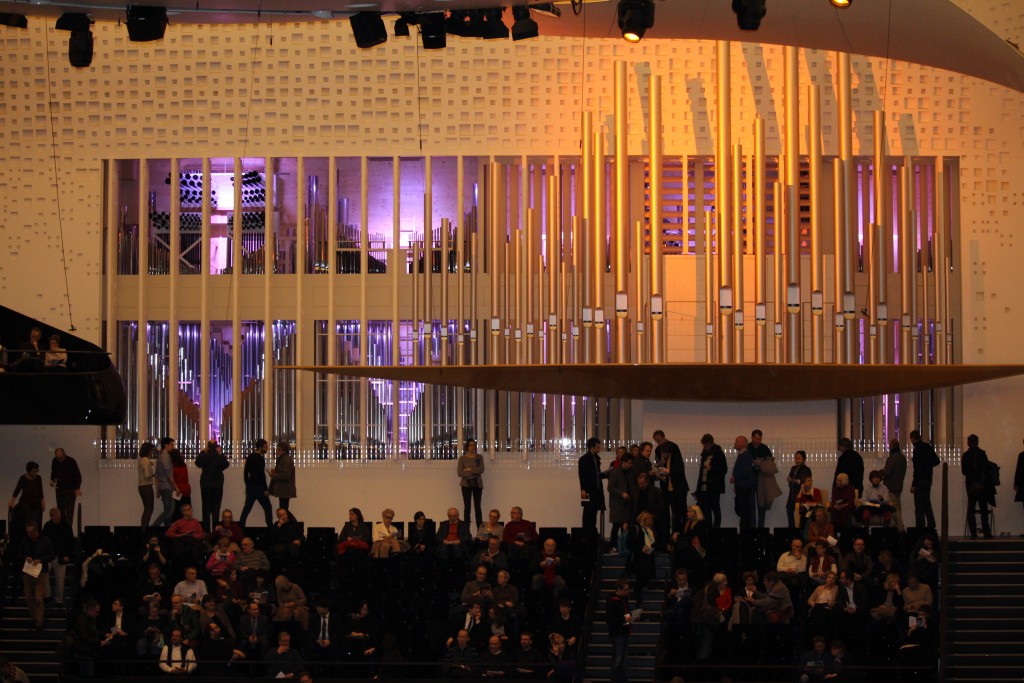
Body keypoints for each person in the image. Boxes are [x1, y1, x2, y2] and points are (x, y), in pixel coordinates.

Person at [18, 521, 54, 629]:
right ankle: (34, 618)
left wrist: (41, 560)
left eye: (30, 532)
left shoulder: (45, 541)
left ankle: (39, 621)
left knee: (38, 597)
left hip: (40, 570)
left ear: (35, 531)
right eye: (27, 532)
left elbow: (52, 554)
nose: (29, 534)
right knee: (28, 596)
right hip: (28, 570)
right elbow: (19, 554)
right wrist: (26, 558)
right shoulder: (24, 541)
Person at [653, 430, 689, 532]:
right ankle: (668, 532)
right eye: (657, 442)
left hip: (677, 487)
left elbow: (679, 469)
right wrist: (659, 467)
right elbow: (659, 465)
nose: (659, 444)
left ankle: (679, 533)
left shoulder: (674, 450)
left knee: (679, 512)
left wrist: (668, 471)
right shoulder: (657, 450)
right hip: (666, 486)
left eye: (660, 441)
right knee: (666, 511)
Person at [961, 434, 992, 538]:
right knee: (983, 508)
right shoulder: (982, 454)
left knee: (971, 508)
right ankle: (986, 532)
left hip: (970, 484)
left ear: (968, 443)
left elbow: (964, 471)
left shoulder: (965, 455)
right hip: (982, 484)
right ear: (977, 442)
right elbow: (987, 468)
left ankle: (973, 533)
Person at [195, 439, 229, 532]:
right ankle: (215, 530)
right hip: (217, 485)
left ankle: (206, 530)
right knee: (216, 509)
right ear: (216, 447)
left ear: (208, 446)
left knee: (205, 508)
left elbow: (197, 463)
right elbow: (226, 465)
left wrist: (203, 451)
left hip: (205, 485)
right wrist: (220, 454)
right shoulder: (219, 457)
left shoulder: (204, 456)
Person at [42, 507, 74, 606]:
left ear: (59, 516)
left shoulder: (66, 526)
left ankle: (58, 600)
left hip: (60, 555)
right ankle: (48, 595)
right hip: (49, 555)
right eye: (53, 518)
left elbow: (71, 542)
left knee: (60, 580)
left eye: (55, 518)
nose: (54, 520)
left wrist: (68, 555)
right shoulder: (48, 526)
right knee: (44, 575)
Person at [607, 453, 637, 550]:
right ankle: (613, 545)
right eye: (629, 463)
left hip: (626, 503)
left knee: (624, 525)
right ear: (623, 462)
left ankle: (623, 546)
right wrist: (622, 494)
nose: (631, 465)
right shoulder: (615, 472)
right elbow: (610, 488)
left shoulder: (630, 473)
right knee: (616, 525)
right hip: (617, 504)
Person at [910, 430, 940, 528]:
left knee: (919, 505)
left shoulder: (917, 450)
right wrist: (927, 464)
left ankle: (920, 526)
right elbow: (937, 461)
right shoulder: (927, 447)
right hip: (928, 479)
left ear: (913, 439)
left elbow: (917, 469)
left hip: (920, 480)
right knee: (926, 502)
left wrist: (914, 484)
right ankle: (931, 524)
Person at [240, 439, 273, 528]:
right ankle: (271, 529)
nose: (267, 449)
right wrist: (265, 489)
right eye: (265, 447)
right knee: (268, 508)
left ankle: (241, 527)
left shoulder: (250, 457)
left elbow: (246, 473)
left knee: (247, 508)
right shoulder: (260, 459)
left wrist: (248, 485)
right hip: (259, 487)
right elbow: (261, 475)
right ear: (260, 447)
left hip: (251, 487)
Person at [752, 432, 782, 528]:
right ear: (752, 437)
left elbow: (770, 464)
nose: (758, 441)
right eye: (757, 439)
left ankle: (761, 528)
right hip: (751, 479)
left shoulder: (764, 448)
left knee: (762, 504)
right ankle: (752, 528)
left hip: (762, 479)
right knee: (751, 506)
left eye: (760, 439)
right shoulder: (748, 448)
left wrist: (760, 463)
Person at [578, 437, 606, 538]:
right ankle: (587, 532)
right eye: (598, 446)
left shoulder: (596, 459)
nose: (599, 448)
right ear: (592, 447)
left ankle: (591, 531)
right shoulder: (584, 459)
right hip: (587, 491)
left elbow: (596, 475)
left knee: (593, 512)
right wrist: (583, 490)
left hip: (595, 491)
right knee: (588, 512)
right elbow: (582, 476)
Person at [606, 578, 632, 683]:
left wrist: (630, 617)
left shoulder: (624, 599)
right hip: (617, 633)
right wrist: (625, 619)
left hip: (625, 630)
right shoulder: (611, 601)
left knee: (623, 658)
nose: (627, 592)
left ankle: (621, 678)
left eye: (627, 590)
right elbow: (610, 619)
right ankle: (615, 678)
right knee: (618, 658)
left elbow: (626, 613)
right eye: (625, 590)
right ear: (619, 589)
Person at [49, 447, 82, 529]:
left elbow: (78, 476)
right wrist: (52, 480)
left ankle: (68, 530)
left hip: (70, 490)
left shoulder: (71, 461)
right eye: (58, 458)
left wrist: (77, 488)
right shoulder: (55, 461)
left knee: (69, 512)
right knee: (60, 511)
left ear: (64, 454)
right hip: (59, 489)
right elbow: (53, 472)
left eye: (61, 458)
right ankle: (61, 529)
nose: (60, 460)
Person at [9, 461, 46, 533]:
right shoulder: (23, 478)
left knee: (36, 523)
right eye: (34, 472)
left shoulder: (38, 478)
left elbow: (40, 491)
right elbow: (17, 490)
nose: (35, 473)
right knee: (27, 522)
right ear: (29, 472)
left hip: (36, 505)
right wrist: (12, 501)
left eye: (36, 471)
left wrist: (43, 503)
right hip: (26, 504)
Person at [457, 438, 485, 528]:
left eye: (474, 445)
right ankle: (466, 530)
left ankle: (479, 530)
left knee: (478, 508)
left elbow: (481, 469)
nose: (473, 447)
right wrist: (473, 473)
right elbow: (460, 473)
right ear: (467, 447)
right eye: (471, 445)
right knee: (467, 508)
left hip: (477, 485)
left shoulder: (479, 457)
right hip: (466, 485)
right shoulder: (462, 458)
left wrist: (469, 469)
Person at [881, 437, 908, 531]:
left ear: (891, 446)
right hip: (899, 485)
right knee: (898, 507)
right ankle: (897, 527)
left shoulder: (892, 457)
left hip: (891, 486)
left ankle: (900, 528)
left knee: (894, 508)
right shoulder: (902, 457)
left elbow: (887, 471)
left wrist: (880, 472)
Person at [731, 435, 756, 530]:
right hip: (741, 486)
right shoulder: (742, 454)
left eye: (737, 442)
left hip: (744, 487)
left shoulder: (746, 455)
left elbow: (746, 471)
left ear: (742, 444)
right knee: (742, 509)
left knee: (744, 510)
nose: (735, 443)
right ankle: (744, 528)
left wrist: (735, 478)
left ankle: (744, 529)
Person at [785, 451, 812, 529]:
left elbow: (806, 481)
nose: (797, 460)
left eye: (799, 458)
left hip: (801, 493)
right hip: (792, 493)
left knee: (801, 513)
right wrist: (789, 479)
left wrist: (797, 481)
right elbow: (790, 477)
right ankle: (792, 529)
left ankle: (800, 530)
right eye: (796, 458)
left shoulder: (806, 469)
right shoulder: (793, 468)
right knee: (789, 510)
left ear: (803, 459)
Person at [153, 438, 176, 527]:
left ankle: (167, 530)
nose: (172, 447)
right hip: (167, 487)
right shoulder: (164, 457)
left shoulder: (162, 457)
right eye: (171, 445)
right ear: (166, 445)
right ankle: (154, 527)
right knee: (169, 510)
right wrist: (175, 487)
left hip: (164, 486)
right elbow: (168, 474)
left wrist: (157, 489)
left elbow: (157, 474)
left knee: (168, 510)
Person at [269, 440, 297, 511]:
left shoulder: (287, 460)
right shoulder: (282, 459)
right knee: (284, 509)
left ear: (284, 451)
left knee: (284, 509)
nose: (276, 451)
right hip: (283, 489)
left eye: (278, 449)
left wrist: (274, 475)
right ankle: (287, 521)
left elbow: (286, 475)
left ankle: (291, 522)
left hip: (285, 489)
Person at [136, 442, 156, 529]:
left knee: (147, 508)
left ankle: (144, 527)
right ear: (148, 451)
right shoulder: (146, 460)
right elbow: (147, 475)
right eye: (151, 450)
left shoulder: (141, 460)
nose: (152, 452)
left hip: (141, 486)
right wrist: (154, 473)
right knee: (149, 509)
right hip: (146, 486)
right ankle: (144, 528)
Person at [169, 448, 191, 521]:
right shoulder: (183, 465)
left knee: (176, 510)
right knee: (186, 510)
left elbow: (172, 479)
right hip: (186, 489)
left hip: (177, 490)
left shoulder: (173, 467)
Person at [1015, 439, 1024, 531]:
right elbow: (1019, 471)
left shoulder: (1022, 455)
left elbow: (1019, 471)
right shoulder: (1021, 455)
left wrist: (1016, 484)